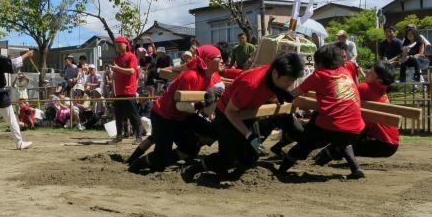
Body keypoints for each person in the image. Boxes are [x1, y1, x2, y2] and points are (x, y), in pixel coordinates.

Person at [182, 52, 304, 181]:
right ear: (275, 73)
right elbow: (230, 112)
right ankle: (193, 169)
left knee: (252, 155)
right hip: (227, 116)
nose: (289, 84)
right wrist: (248, 134)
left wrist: (282, 93)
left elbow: (273, 89)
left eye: (292, 80)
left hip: (248, 114)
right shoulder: (251, 85)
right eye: (287, 80)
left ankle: (230, 177)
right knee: (226, 158)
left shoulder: (274, 75)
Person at [128, 45, 224, 173]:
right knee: (161, 155)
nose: (222, 60)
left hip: (183, 116)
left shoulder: (211, 76)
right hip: (164, 116)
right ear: (208, 61)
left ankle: (165, 160)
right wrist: (203, 104)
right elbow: (181, 105)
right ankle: (137, 164)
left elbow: (216, 94)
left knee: (194, 145)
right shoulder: (190, 76)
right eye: (219, 57)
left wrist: (216, 93)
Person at [278, 43, 365, 179]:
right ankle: (355, 168)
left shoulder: (318, 76)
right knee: (343, 139)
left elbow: (292, 94)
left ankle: (281, 171)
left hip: (331, 127)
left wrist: (276, 96)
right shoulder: (346, 73)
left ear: (320, 63)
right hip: (356, 129)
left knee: (304, 144)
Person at [351, 61, 400, 158]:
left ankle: (318, 161)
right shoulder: (381, 90)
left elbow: (343, 95)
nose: (368, 72)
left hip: (380, 142)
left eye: (371, 72)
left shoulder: (366, 88)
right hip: (391, 143)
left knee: (341, 142)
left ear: (379, 80)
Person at [110, 36, 143, 144]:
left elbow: (132, 71)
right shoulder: (116, 59)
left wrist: (117, 69)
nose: (118, 46)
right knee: (118, 115)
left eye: (120, 44)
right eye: (116, 44)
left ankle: (139, 136)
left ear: (126, 45)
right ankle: (119, 136)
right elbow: (115, 75)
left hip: (129, 90)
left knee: (133, 115)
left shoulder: (131, 56)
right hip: (118, 91)